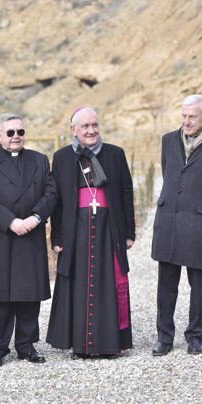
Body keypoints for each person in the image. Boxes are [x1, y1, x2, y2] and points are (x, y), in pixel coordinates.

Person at [47, 107, 135, 358]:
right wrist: (57, 238)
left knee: (109, 282)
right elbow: (57, 201)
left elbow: (126, 192)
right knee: (78, 285)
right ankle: (80, 344)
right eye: (85, 126)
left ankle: (110, 344)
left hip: (109, 229)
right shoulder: (62, 157)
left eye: (94, 125)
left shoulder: (115, 154)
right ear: (73, 130)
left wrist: (129, 232)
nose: (91, 130)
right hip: (76, 231)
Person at [0, 113, 57, 367]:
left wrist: (36, 218)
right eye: (10, 133)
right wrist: (11, 222)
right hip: (3, 235)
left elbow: (51, 193)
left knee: (30, 294)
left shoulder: (39, 161)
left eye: (20, 132)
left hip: (31, 232)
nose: (16, 137)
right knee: (2, 295)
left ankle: (26, 345)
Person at [151, 95, 202, 356]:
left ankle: (196, 337)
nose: (186, 121)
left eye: (192, 117)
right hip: (168, 220)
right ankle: (164, 337)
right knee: (166, 283)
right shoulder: (168, 141)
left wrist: (200, 209)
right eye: (183, 116)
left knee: (198, 283)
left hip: (198, 222)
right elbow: (168, 173)